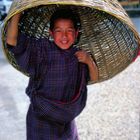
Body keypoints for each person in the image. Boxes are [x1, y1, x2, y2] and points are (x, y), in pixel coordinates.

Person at [6, 8, 98, 140]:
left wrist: (89, 61)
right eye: (59, 31)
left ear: (77, 33)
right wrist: (18, 12)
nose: (64, 36)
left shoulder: (79, 56)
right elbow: (12, 41)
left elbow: (93, 78)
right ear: (51, 33)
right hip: (40, 120)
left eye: (69, 31)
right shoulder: (41, 50)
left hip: (66, 120)